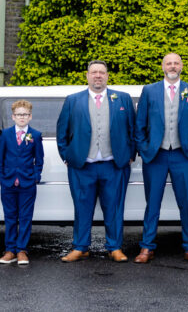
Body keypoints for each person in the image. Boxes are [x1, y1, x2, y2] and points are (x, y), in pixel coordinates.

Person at [56, 60, 136, 262]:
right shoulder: (73, 100)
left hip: (114, 165)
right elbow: (62, 131)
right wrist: (67, 156)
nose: (98, 75)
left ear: (107, 76)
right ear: (87, 76)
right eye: (94, 72)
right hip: (83, 166)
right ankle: (80, 247)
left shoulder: (123, 99)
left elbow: (133, 130)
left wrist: (130, 155)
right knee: (82, 207)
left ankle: (114, 247)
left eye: (102, 72)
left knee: (115, 207)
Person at [133, 52, 188, 264]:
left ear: (181, 66)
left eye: (176, 63)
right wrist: (144, 149)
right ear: (163, 67)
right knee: (152, 203)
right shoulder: (149, 90)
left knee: (187, 203)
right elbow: (140, 124)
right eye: (169, 63)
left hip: (183, 156)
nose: (172, 66)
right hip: (155, 156)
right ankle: (147, 247)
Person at [0, 99, 44, 265]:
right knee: (10, 217)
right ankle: (10, 250)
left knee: (25, 217)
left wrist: (36, 176)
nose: (22, 117)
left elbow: (39, 159)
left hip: (27, 183)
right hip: (8, 182)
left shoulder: (35, 135)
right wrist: (0, 176)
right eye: (18, 115)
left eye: (25, 114)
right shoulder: (6, 134)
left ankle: (22, 250)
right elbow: (0, 157)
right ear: (13, 117)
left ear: (30, 117)